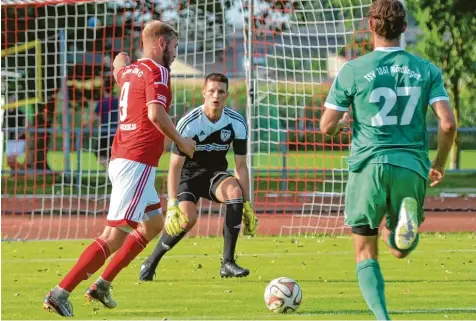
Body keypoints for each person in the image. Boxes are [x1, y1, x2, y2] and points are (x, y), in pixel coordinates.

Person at [42, 20, 196, 317]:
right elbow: (155, 113)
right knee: (113, 235)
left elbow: (119, 67)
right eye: (175, 46)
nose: (176, 53)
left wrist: (121, 61)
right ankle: (60, 292)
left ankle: (102, 285)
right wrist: (182, 142)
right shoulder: (158, 71)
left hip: (124, 159)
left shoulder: (132, 71)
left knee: (153, 224)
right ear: (162, 44)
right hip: (136, 162)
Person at [320, 0, 456, 319]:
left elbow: (326, 125)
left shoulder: (353, 69)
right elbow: (448, 124)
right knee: (398, 248)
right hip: (411, 166)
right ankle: (403, 227)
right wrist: (438, 163)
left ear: (369, 26)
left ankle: (383, 318)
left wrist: (341, 126)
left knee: (365, 250)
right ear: (404, 28)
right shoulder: (426, 70)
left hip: (369, 166)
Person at [139, 73, 258, 281]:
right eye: (211, 91)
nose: (216, 96)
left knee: (235, 193)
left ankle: (228, 263)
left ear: (227, 95)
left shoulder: (237, 122)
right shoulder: (190, 123)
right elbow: (174, 166)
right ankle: (150, 262)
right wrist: (172, 205)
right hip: (189, 176)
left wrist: (247, 205)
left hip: (215, 175)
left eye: (221, 92)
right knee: (188, 220)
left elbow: (241, 166)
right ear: (204, 93)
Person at [88, 80, 119, 170]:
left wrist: (86, 125)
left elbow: (93, 117)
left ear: (103, 89)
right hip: (116, 133)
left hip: (105, 133)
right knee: (111, 156)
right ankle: (112, 173)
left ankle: (110, 173)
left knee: (99, 154)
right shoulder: (117, 102)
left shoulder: (102, 102)